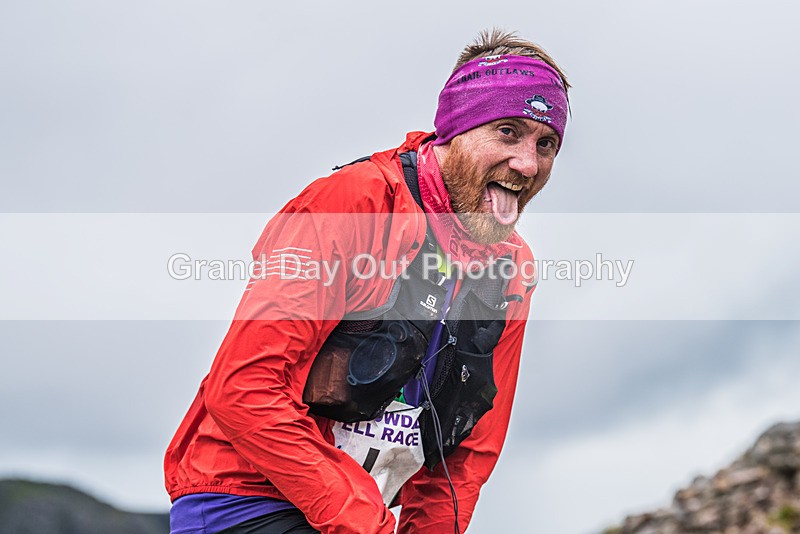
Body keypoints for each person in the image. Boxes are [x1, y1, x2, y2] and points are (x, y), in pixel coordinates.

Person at [165, 29, 570, 534]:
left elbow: (466, 457)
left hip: (356, 516)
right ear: (455, 130)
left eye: (546, 143)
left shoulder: (511, 269)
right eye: (507, 132)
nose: (527, 164)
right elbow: (244, 387)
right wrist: (365, 524)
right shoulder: (352, 203)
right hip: (245, 504)